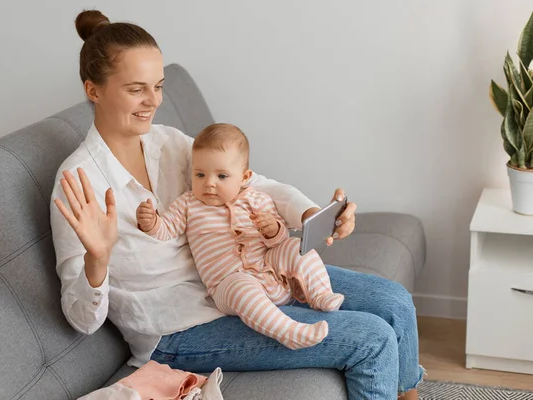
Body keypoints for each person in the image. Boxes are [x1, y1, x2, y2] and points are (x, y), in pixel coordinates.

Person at [50, 9, 423, 400]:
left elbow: (253, 183)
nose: (153, 101)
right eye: (136, 89)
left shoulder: (171, 143)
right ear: (93, 90)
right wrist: (98, 259)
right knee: (371, 338)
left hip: (246, 270)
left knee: (393, 301)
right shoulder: (78, 182)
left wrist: (313, 215)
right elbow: (82, 320)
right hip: (179, 329)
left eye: (158, 86)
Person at [136, 123, 345, 350]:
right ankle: (289, 331)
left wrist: (272, 230)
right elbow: (166, 229)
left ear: (244, 177)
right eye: (200, 174)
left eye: (222, 176)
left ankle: (320, 294)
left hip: (271, 271)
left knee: (294, 246)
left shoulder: (256, 199)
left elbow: (278, 241)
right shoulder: (188, 204)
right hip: (228, 284)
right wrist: (152, 222)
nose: (209, 183)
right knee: (242, 288)